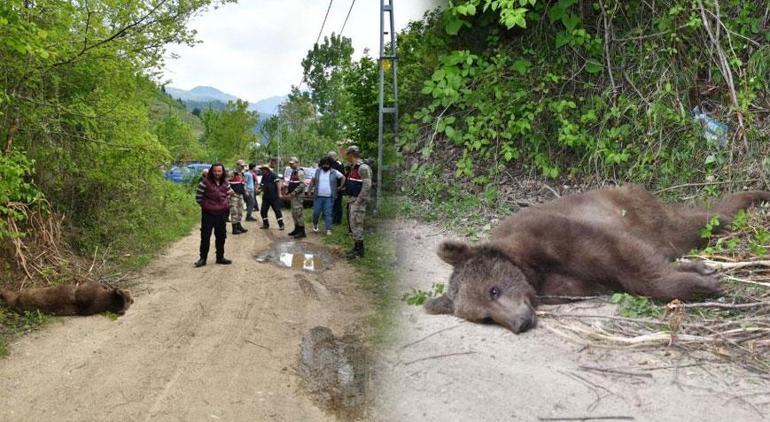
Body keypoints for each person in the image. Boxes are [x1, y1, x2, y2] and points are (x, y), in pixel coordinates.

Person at [194, 163, 233, 267]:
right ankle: (203, 259)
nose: (217, 173)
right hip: (208, 214)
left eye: (219, 171)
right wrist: (206, 206)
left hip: (221, 214)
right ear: (212, 171)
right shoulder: (205, 182)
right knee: (205, 237)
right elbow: (198, 197)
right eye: (215, 171)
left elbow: (230, 194)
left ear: (222, 172)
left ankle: (220, 257)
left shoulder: (225, 183)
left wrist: (226, 205)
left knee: (221, 236)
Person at [344, 146, 372, 258]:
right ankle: (356, 247)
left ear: (351, 154)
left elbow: (367, 185)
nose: (347, 157)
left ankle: (360, 251)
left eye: (348, 155)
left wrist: (359, 201)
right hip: (352, 200)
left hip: (357, 201)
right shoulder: (354, 167)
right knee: (353, 225)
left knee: (357, 224)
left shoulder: (362, 168)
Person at [309, 156, 345, 235]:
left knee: (328, 213)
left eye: (327, 164)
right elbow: (312, 181)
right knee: (316, 212)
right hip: (318, 197)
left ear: (330, 164)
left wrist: (340, 187)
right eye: (324, 164)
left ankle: (328, 229)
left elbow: (343, 177)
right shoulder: (317, 171)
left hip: (329, 197)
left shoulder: (334, 172)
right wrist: (309, 190)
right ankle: (315, 225)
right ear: (321, 164)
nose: (325, 166)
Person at [257, 163, 285, 230]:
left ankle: (281, 225)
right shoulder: (264, 176)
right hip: (266, 197)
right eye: (261, 169)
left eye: (263, 169)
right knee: (263, 211)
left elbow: (278, 184)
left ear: (267, 169)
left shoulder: (273, 175)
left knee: (277, 211)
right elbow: (262, 185)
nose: (262, 170)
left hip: (274, 197)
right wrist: (259, 190)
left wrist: (279, 194)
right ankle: (266, 224)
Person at [285, 157, 307, 239]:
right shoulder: (293, 172)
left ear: (297, 163)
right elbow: (293, 183)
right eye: (290, 164)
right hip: (293, 196)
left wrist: (295, 192)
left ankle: (302, 231)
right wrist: (289, 190)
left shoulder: (300, 172)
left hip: (298, 196)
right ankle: (297, 229)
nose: (291, 165)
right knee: (294, 213)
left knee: (298, 213)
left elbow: (303, 184)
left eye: (292, 163)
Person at [228, 162, 248, 235]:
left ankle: (239, 226)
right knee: (234, 211)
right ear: (237, 165)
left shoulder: (242, 174)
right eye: (241, 166)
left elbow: (244, 183)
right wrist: (230, 191)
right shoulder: (232, 173)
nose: (242, 167)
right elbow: (225, 182)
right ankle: (234, 229)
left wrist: (245, 191)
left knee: (240, 211)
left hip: (240, 195)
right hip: (233, 196)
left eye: (243, 166)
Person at [328, 150, 346, 225]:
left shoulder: (338, 164)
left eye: (329, 157)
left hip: (338, 187)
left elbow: (342, 176)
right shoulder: (331, 164)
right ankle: (332, 219)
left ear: (333, 157)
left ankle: (337, 220)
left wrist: (340, 187)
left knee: (337, 204)